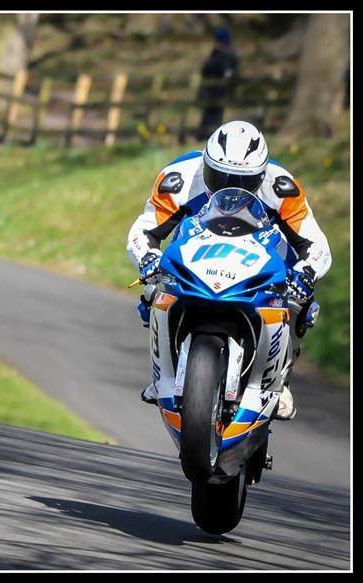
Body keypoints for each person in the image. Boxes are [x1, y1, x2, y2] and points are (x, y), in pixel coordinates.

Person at [126, 120, 331, 421]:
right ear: (206, 163)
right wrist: (146, 257)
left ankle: (279, 381)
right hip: (196, 256)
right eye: (220, 175)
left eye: (242, 180)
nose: (230, 187)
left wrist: (306, 272)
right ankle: (163, 375)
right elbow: (144, 228)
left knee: (299, 301)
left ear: (260, 174)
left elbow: (317, 243)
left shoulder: (281, 186)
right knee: (153, 288)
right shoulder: (180, 177)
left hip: (260, 259)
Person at [196, 26, 239, 141]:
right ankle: (204, 136)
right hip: (210, 90)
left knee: (215, 115)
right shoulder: (216, 54)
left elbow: (228, 71)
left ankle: (210, 136)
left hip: (218, 91)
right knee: (208, 114)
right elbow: (206, 70)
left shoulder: (227, 55)